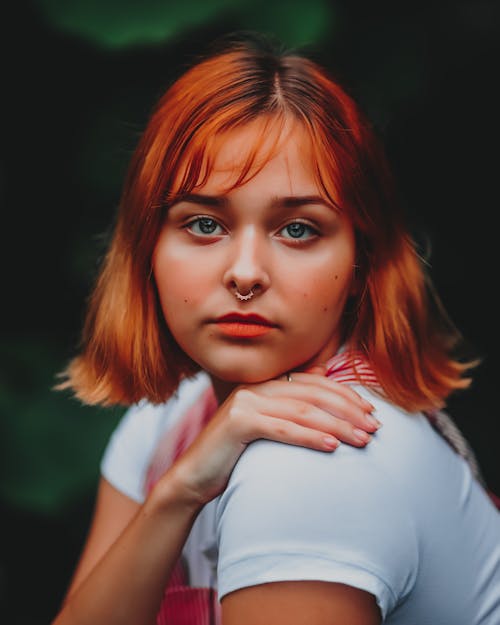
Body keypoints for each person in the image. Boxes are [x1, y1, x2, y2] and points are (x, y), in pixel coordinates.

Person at [52, 33, 499, 625]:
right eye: (205, 223)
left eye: (298, 230)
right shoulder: (169, 419)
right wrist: (178, 494)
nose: (245, 273)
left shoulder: (315, 466)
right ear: (145, 247)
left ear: (360, 262)